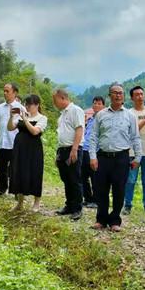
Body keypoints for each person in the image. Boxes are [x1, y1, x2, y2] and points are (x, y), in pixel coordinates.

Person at [89, 84, 142, 232]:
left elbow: (136, 138)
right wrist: (92, 157)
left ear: (124, 96)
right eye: (115, 93)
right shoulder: (101, 115)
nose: (118, 95)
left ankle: (115, 220)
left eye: (121, 93)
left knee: (119, 190)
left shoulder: (130, 116)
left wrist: (138, 157)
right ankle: (101, 219)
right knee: (101, 190)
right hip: (103, 157)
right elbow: (93, 137)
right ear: (109, 95)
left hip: (121, 157)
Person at [8, 95, 48, 212]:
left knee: (35, 172)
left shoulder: (42, 118)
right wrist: (11, 117)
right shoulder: (21, 116)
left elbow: (35, 131)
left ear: (37, 105)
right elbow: (10, 128)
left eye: (29, 105)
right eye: (26, 104)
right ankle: (20, 202)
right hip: (20, 147)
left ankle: (36, 203)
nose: (27, 107)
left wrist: (25, 120)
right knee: (18, 171)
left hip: (33, 149)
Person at [123, 86, 145, 215]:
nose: (140, 96)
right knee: (131, 179)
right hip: (133, 152)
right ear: (132, 97)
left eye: (142, 94)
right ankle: (127, 205)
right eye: (137, 94)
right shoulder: (128, 113)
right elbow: (130, 131)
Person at [53, 88, 85, 221]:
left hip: (73, 148)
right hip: (63, 149)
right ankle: (69, 205)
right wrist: (58, 153)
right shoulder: (62, 115)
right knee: (66, 179)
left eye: (55, 101)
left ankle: (77, 208)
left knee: (74, 179)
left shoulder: (75, 110)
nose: (54, 104)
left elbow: (79, 129)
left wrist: (74, 149)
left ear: (62, 98)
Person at [0, 83, 25, 197]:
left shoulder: (21, 108)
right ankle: (2, 189)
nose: (5, 93)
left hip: (15, 144)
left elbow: (25, 126)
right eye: (4, 91)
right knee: (2, 169)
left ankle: (15, 191)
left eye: (7, 91)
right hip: (1, 143)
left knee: (15, 169)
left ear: (15, 93)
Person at [81, 96, 105, 208]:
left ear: (103, 106)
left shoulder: (104, 119)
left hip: (95, 151)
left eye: (99, 103)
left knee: (95, 177)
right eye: (95, 103)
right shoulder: (90, 119)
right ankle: (87, 198)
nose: (96, 105)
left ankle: (97, 200)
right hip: (85, 149)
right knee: (83, 176)